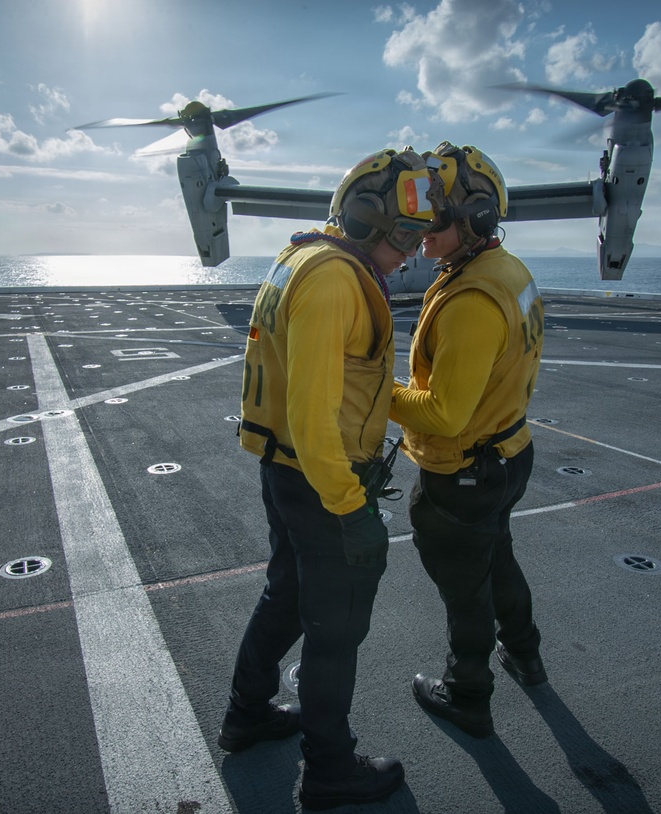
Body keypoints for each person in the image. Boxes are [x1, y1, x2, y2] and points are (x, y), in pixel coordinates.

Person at [219, 147, 443, 809]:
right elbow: (312, 414)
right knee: (334, 630)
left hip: (288, 471)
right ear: (368, 220)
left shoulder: (303, 257)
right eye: (404, 237)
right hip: (322, 481)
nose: (413, 253)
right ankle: (330, 769)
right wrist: (350, 510)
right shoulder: (335, 281)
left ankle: (247, 714)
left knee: (286, 595)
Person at [389, 141, 547, 739]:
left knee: (465, 590)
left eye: (434, 218)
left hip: (463, 473)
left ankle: (467, 695)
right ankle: (525, 654)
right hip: (509, 452)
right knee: (497, 555)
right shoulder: (508, 271)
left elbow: (445, 414)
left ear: (476, 218)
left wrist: (373, 389)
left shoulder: (472, 299)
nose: (420, 230)